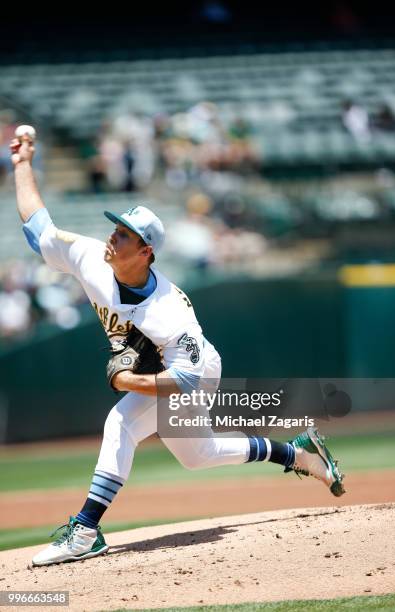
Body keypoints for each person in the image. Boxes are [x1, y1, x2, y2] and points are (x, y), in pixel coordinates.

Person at [10, 133, 345, 567]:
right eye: (115, 228)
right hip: (167, 370)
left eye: (125, 235)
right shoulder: (92, 258)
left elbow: (184, 380)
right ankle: (297, 453)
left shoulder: (169, 311)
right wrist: (23, 163)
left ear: (146, 251)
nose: (113, 238)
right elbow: (39, 230)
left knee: (122, 423)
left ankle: (86, 530)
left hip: (194, 372)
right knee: (197, 456)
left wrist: (128, 380)